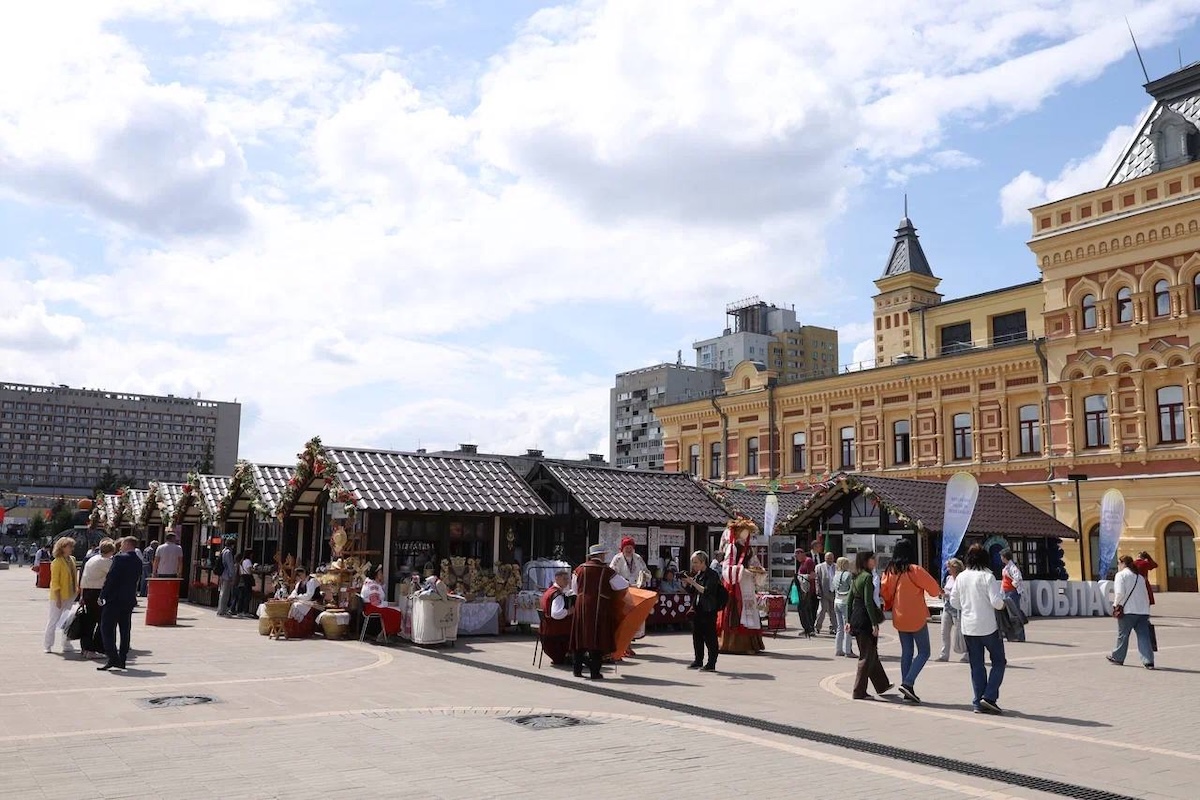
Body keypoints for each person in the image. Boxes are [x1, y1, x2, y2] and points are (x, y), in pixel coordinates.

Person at [880, 539, 942, 704]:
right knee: (924, 651)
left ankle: (908, 689)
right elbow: (934, 590)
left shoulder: (889, 571)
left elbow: (884, 592)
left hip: (899, 615)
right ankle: (908, 683)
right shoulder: (915, 570)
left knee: (906, 652)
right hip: (915, 615)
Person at [950, 544, 1007, 714]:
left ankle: (978, 702)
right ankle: (989, 697)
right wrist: (1004, 605)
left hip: (969, 627)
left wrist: (966, 606)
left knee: (976, 665)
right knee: (999, 661)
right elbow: (996, 602)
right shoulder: (988, 577)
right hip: (988, 626)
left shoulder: (961, 577)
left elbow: (954, 601)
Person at [570, 544, 629, 680]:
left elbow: (574, 589)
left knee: (581, 637)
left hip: (581, 605)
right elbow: (622, 585)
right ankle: (594, 672)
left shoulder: (579, 569)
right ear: (601, 556)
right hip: (599, 607)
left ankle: (577, 669)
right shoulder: (606, 571)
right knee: (596, 638)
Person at [847, 550, 891, 700]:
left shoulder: (856, 577)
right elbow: (868, 602)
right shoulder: (867, 577)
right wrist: (874, 623)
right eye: (873, 559)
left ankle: (882, 684)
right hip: (865, 619)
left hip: (856, 617)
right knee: (866, 655)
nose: (875, 561)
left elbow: (849, 600)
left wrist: (848, 620)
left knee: (871, 653)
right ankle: (859, 691)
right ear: (866, 561)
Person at [719, 518, 766, 654]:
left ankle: (751, 644)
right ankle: (736, 645)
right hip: (737, 584)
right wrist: (741, 570)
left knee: (750, 609)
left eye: (748, 532)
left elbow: (754, 562)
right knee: (737, 611)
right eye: (745, 531)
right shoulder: (732, 547)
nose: (746, 535)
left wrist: (759, 570)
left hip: (747, 583)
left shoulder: (748, 548)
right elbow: (726, 568)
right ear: (738, 532)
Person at [98, 537, 143, 671]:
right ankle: (122, 658)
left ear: (127, 544)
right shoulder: (138, 561)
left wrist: (102, 594)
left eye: (122, 544)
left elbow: (111, 578)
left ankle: (112, 657)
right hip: (128, 599)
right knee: (125, 629)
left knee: (106, 627)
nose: (120, 546)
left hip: (114, 599)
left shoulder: (119, 558)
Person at [1107, 555, 1155, 670]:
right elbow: (1145, 594)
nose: (1118, 566)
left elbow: (1119, 593)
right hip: (1142, 611)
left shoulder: (1121, 575)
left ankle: (1118, 657)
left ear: (1123, 563)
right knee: (1144, 636)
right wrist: (1146, 610)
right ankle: (1148, 661)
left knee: (1123, 635)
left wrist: (1115, 605)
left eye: (1118, 563)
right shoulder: (1140, 577)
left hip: (1128, 611)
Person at [681, 551, 724, 672]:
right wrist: (686, 583)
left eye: (695, 562)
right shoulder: (698, 574)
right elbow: (693, 591)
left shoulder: (712, 575)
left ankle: (711, 663)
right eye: (692, 562)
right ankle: (698, 660)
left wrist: (693, 582)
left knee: (710, 637)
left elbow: (706, 591)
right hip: (698, 609)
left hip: (709, 609)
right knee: (697, 636)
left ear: (703, 562)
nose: (693, 565)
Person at [609, 537, 650, 652]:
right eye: (626, 547)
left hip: (636, 591)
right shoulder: (617, 559)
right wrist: (625, 583)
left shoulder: (638, 558)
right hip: (623, 592)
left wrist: (645, 577)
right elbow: (612, 575)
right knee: (623, 620)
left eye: (630, 547)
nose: (628, 550)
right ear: (622, 548)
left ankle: (628, 644)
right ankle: (623, 646)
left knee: (633, 619)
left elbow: (646, 571)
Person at [79, 539, 116, 660]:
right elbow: (114, 574)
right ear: (111, 551)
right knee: (103, 621)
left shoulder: (91, 559)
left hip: (88, 591)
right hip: (98, 592)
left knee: (88, 621)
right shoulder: (106, 561)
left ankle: (86, 648)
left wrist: (81, 596)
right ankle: (95, 647)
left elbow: (83, 578)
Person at [44, 537, 78, 655]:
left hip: (70, 594)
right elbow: (55, 581)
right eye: (69, 546)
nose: (72, 549)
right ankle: (48, 644)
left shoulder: (72, 559)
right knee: (53, 620)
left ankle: (66, 643)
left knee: (68, 621)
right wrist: (58, 598)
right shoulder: (57, 562)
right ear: (62, 547)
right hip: (59, 595)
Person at [539, 569, 575, 666]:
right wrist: (569, 611)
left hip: (545, 631)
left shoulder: (549, 591)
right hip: (554, 634)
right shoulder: (557, 595)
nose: (567, 581)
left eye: (568, 579)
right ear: (557, 578)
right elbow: (556, 614)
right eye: (564, 579)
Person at [937, 558, 967, 663]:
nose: (948, 569)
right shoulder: (949, 578)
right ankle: (944, 655)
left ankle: (966, 654)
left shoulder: (961, 579)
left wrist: (949, 595)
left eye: (949, 567)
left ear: (955, 567)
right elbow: (946, 590)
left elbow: (961, 594)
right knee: (944, 631)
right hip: (947, 607)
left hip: (957, 608)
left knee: (960, 632)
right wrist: (942, 594)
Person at [360, 566, 402, 637]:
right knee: (396, 611)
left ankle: (385, 633)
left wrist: (381, 583)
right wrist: (389, 604)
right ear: (376, 574)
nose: (382, 575)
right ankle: (386, 634)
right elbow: (376, 602)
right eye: (380, 573)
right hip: (372, 607)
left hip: (371, 606)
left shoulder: (372, 583)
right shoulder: (373, 586)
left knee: (395, 609)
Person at [832, 556, 856, 658]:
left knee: (839, 627)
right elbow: (852, 589)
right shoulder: (848, 575)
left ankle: (838, 649)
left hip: (836, 600)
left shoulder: (835, 575)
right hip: (845, 601)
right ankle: (847, 650)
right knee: (848, 626)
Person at [999, 549, 1025, 642]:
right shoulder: (1006, 567)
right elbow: (1004, 582)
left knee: (1015, 614)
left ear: (1005, 557)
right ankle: (1012, 635)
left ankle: (1020, 635)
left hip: (1012, 592)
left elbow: (1018, 577)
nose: (1001, 558)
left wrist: (1014, 583)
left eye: (1002, 556)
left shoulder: (1012, 567)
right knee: (1008, 614)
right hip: (1007, 592)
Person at [791, 548, 817, 637]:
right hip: (802, 589)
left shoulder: (808, 561)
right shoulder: (802, 563)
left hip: (807, 589)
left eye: (796, 556)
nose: (796, 558)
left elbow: (812, 575)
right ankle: (806, 628)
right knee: (802, 609)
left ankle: (809, 628)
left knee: (805, 609)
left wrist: (799, 576)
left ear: (801, 554)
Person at [814, 551, 838, 636]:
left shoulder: (837, 566)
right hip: (824, 592)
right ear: (825, 558)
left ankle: (834, 628)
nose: (830, 560)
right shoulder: (819, 567)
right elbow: (817, 580)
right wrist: (818, 590)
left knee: (833, 611)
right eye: (828, 558)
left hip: (834, 592)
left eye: (831, 558)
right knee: (822, 610)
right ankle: (817, 627)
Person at [216, 539, 238, 617]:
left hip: (222, 574)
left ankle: (220, 610)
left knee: (222, 593)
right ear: (232, 545)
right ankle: (222, 611)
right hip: (226, 575)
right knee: (225, 593)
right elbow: (230, 565)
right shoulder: (228, 553)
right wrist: (233, 575)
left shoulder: (223, 551)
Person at [232, 550, 254, 617]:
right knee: (247, 596)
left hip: (242, 579)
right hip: (247, 579)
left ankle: (239, 611)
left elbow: (240, 572)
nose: (252, 556)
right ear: (249, 554)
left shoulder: (242, 561)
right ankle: (245, 611)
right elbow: (250, 571)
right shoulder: (248, 561)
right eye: (251, 554)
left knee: (242, 596)